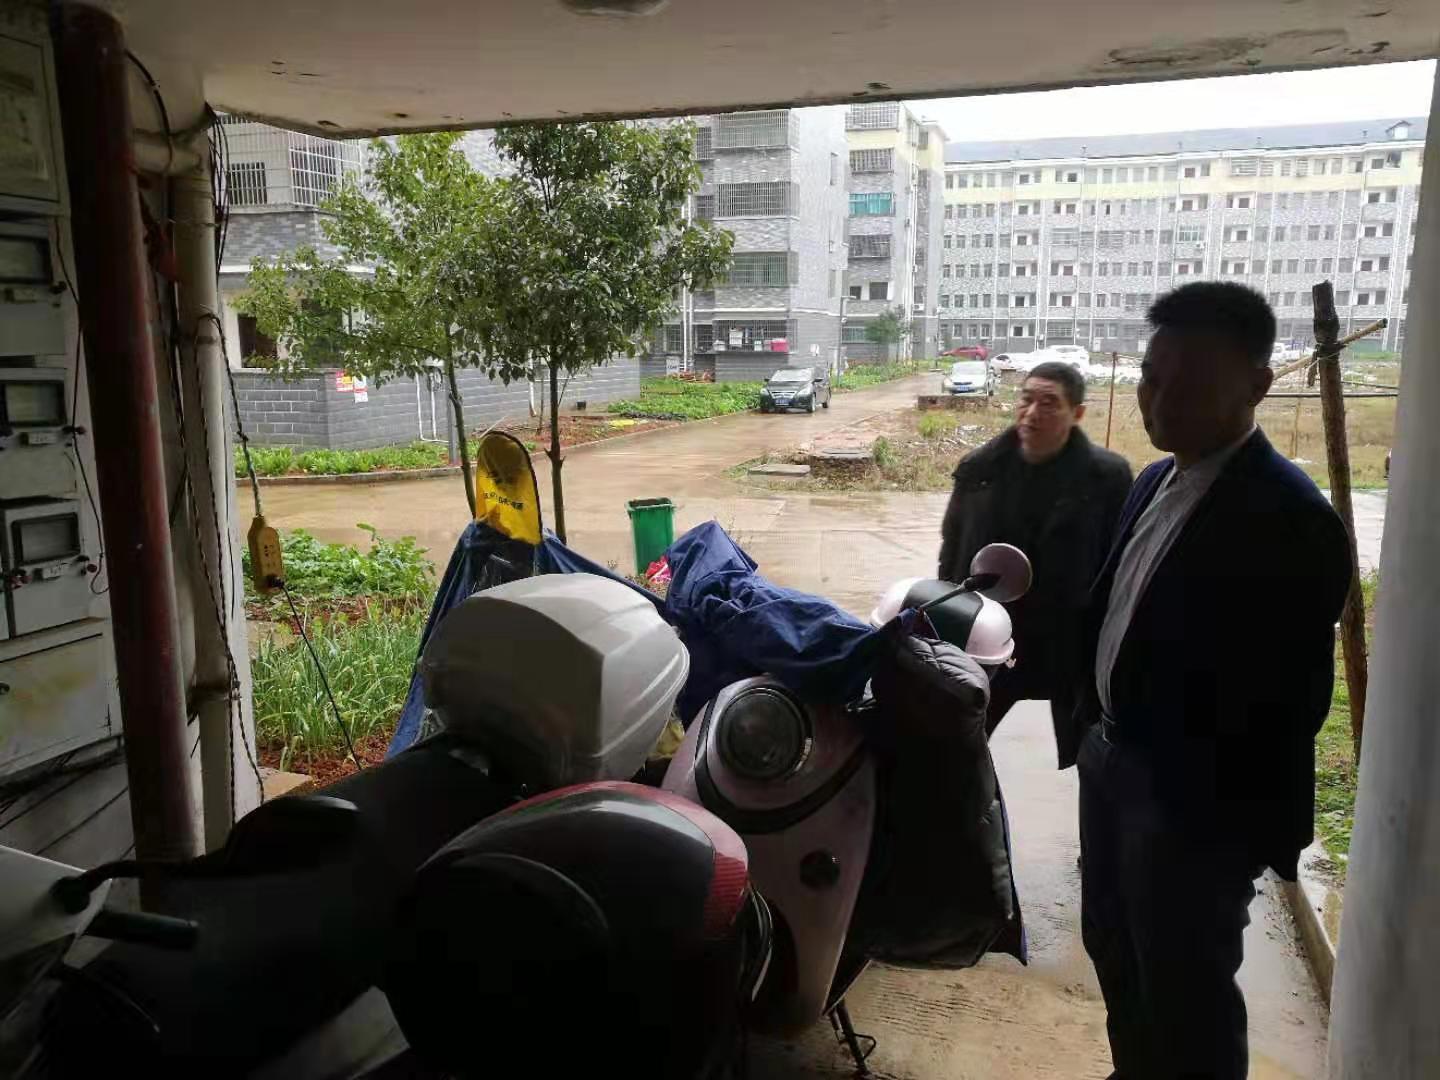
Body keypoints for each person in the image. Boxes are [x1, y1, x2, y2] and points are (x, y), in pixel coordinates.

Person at [1076, 282, 1352, 1079]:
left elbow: (1288, 706)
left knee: (1188, 994)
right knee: (1117, 955)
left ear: (1257, 385)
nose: (1160, 402)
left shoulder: (1290, 519)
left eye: (1190, 384)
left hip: (1192, 812)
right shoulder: (1154, 481)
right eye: (1151, 378)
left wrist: (1202, 825)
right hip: (1112, 766)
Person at [938, 360, 1132, 767]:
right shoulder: (981, 470)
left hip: (1070, 640)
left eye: (1049, 403)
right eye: (1026, 400)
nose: (1032, 413)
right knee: (956, 743)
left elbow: (1118, 563)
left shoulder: (1107, 479)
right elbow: (951, 553)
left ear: (1077, 413)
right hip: (991, 635)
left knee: (1093, 752)